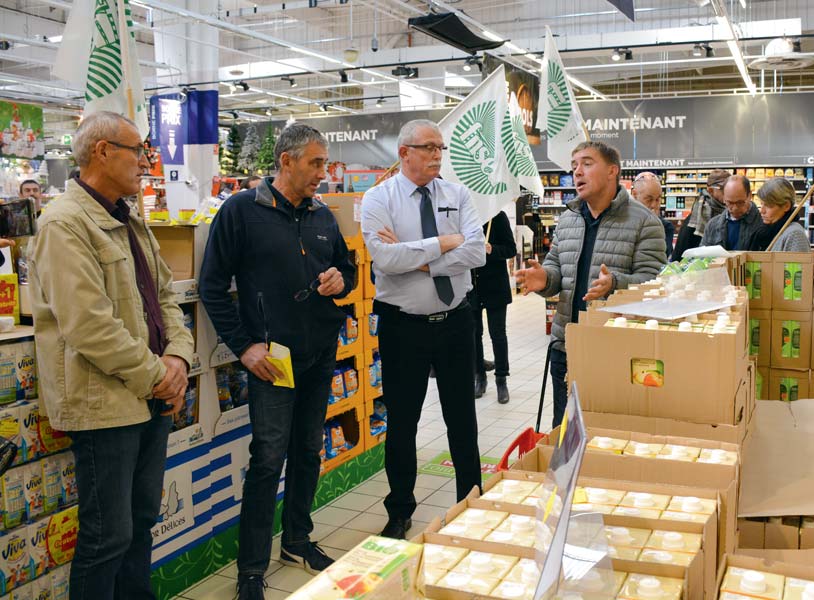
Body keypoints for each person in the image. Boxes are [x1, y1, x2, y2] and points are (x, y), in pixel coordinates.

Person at [28, 111, 195, 600]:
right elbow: (89, 325)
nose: (146, 161)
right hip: (105, 404)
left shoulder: (130, 219)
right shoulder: (64, 224)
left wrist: (179, 360)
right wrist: (158, 376)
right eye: (137, 150)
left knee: (142, 521)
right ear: (102, 151)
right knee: (108, 536)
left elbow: (167, 298)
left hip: (150, 395)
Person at [199, 123, 356, 600]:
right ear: (286, 161)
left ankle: (297, 541)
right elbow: (211, 287)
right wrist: (245, 346)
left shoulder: (322, 214)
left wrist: (339, 280)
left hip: (318, 352)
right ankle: (251, 569)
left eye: (324, 163)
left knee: (308, 450)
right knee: (268, 459)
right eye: (315, 163)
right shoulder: (242, 211)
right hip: (272, 360)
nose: (322, 173)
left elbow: (347, 270)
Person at [360, 119, 486, 540]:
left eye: (440, 148)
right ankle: (400, 510)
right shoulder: (378, 198)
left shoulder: (457, 194)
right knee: (402, 422)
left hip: (455, 322)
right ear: (404, 153)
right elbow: (384, 258)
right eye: (428, 148)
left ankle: (471, 501)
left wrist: (419, 256)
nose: (436, 156)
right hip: (403, 328)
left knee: (462, 418)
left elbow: (477, 252)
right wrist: (445, 243)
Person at [515, 141, 667, 428]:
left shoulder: (645, 222)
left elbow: (654, 284)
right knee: (564, 432)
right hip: (566, 344)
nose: (577, 173)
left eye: (586, 163)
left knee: (610, 432)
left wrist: (615, 284)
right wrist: (544, 279)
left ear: (612, 171)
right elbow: (557, 270)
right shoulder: (568, 219)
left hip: (615, 348)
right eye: (574, 166)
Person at [471, 211, 517, 403]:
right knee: (474, 335)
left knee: (497, 334)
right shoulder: (466, 217)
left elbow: (510, 249)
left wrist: (491, 249)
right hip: (471, 286)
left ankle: (501, 380)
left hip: (495, 287)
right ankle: (480, 377)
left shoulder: (497, 217)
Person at [671, 169, 729, 260]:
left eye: (729, 188)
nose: (728, 192)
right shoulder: (696, 219)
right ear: (710, 190)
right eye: (723, 189)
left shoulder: (731, 214)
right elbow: (679, 254)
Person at [746, 177, 811, 252]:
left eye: (768, 205)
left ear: (786, 206)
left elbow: (798, 263)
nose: (762, 211)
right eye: (761, 204)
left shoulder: (795, 235)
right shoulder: (766, 231)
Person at [700, 175, 763, 251]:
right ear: (723, 197)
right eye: (730, 203)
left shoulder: (762, 224)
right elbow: (703, 256)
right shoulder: (712, 225)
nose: (735, 208)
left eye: (740, 203)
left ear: (749, 195)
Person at [632, 173, 675, 257]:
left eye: (658, 199)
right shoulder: (623, 224)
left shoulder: (666, 227)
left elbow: (662, 257)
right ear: (634, 195)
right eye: (649, 199)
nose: (654, 205)